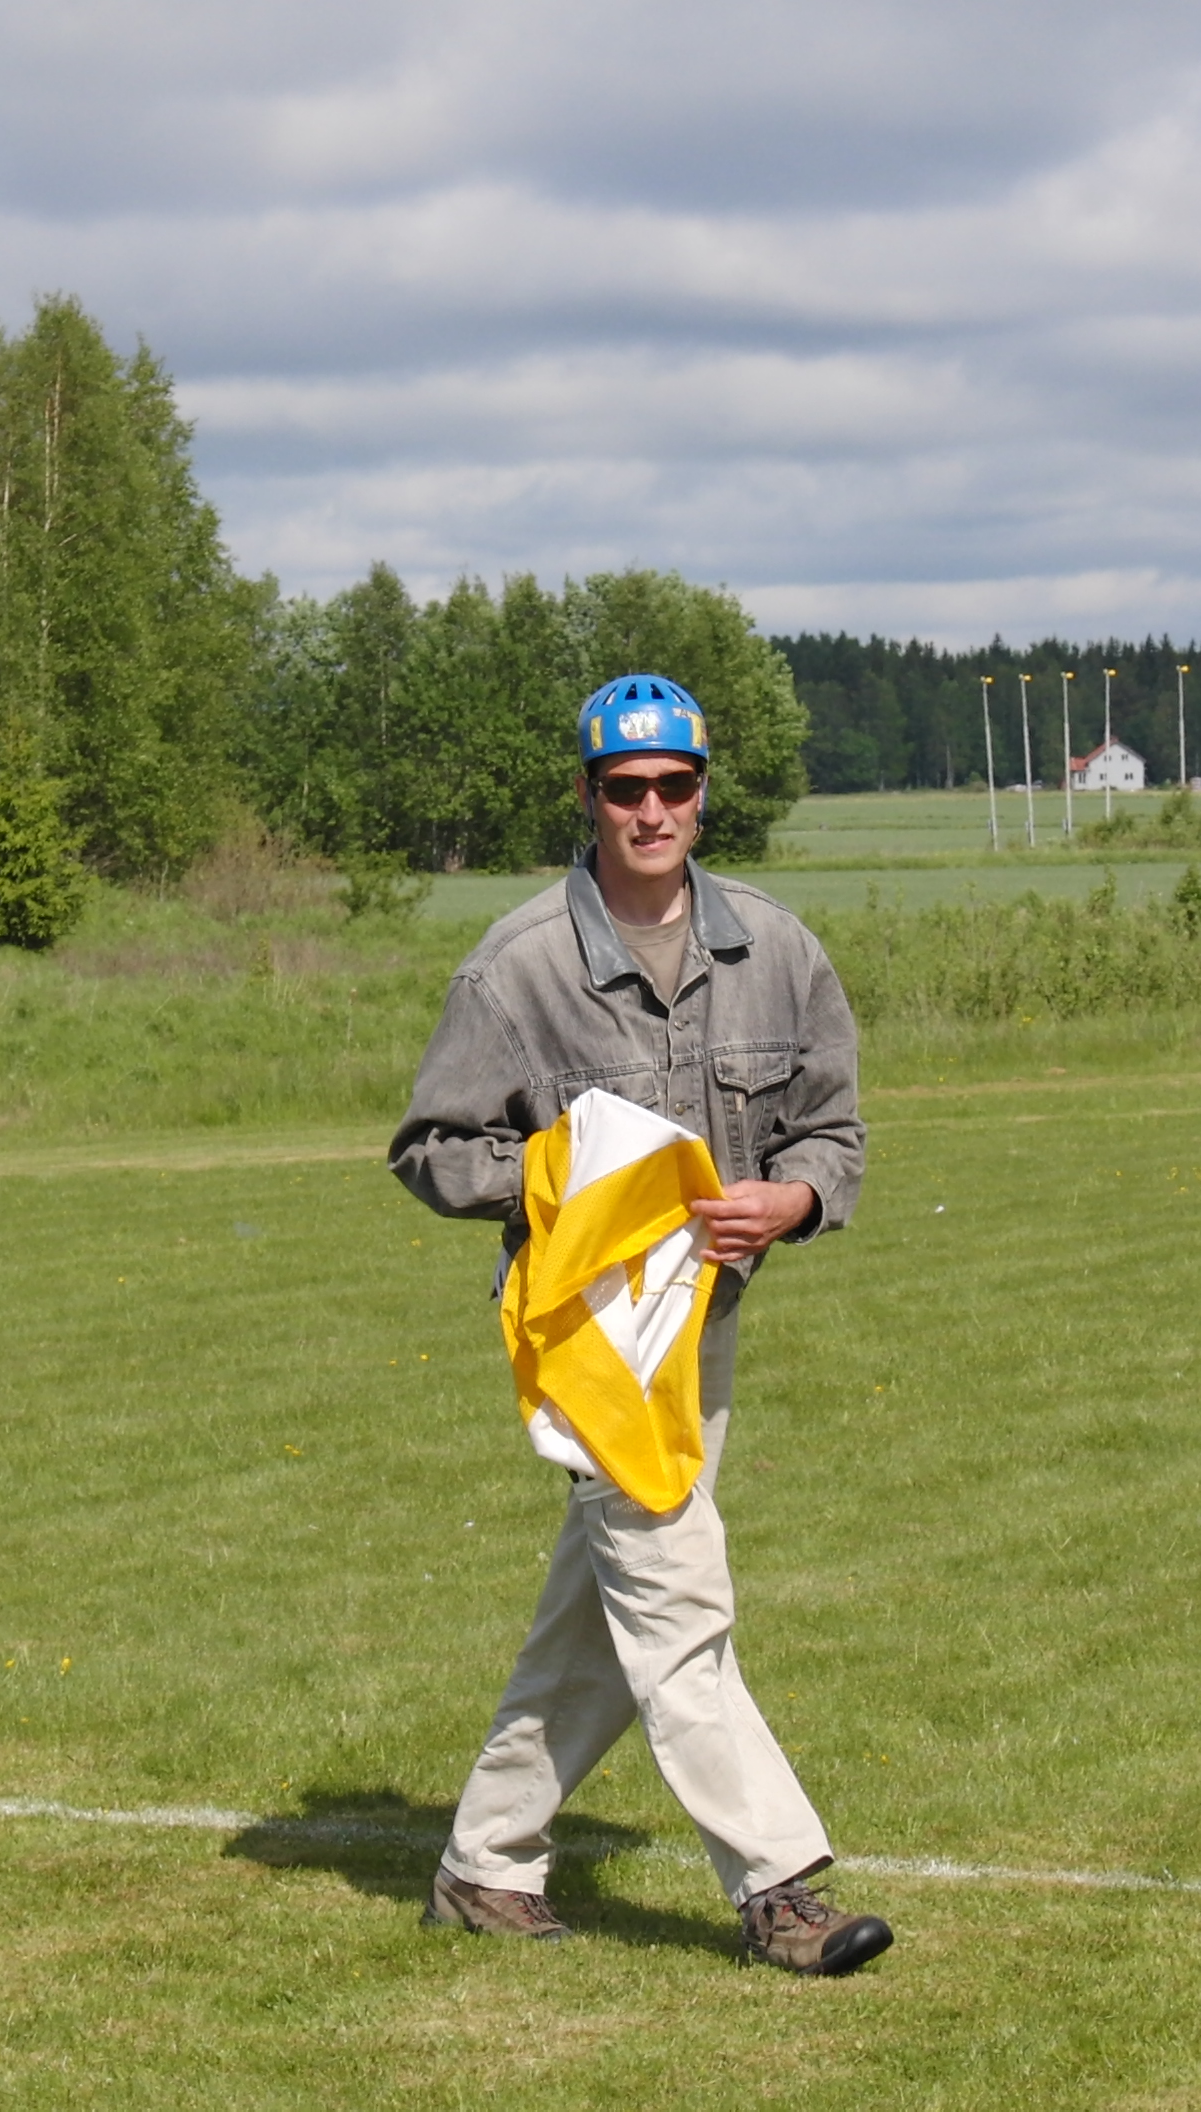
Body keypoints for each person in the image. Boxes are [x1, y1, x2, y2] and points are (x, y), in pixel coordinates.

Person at [389, 673, 893, 1977]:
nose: (652, 810)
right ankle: (779, 1886)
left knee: (602, 1619)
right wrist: (563, 1178)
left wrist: (791, 1200)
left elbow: (833, 1135)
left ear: (703, 791)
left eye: (675, 783)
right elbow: (431, 1150)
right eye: (626, 788)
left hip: (704, 1330)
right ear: (588, 795)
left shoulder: (778, 951)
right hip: (591, 1339)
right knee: (676, 1596)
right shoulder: (517, 969)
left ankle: (485, 1866)